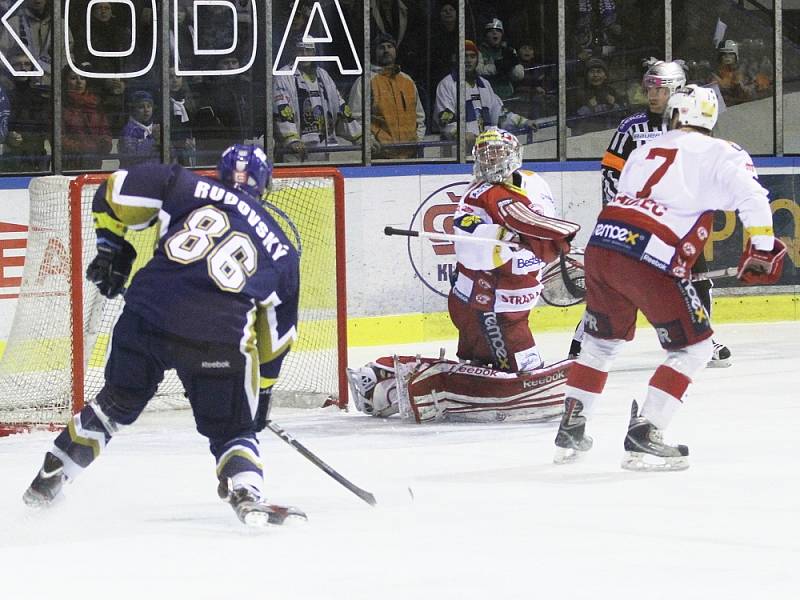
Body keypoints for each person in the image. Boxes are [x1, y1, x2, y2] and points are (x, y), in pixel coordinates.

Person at [22, 144, 306, 527]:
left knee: (112, 406)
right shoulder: (284, 254)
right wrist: (264, 392)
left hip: (147, 316)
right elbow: (277, 340)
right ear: (265, 185)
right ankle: (245, 491)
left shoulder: (183, 184)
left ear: (219, 171)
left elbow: (113, 191)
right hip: (218, 336)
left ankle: (48, 481)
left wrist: (112, 249)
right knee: (232, 430)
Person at [553, 85, 787, 471]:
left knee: (599, 343)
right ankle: (646, 434)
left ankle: (571, 428)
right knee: (693, 349)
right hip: (649, 253)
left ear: (677, 114)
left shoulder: (646, 148)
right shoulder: (723, 151)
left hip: (603, 244)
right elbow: (752, 195)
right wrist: (762, 245)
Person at [569, 60, 733, 368]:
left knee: (696, 279)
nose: (653, 94)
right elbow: (610, 173)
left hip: (680, 222)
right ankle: (582, 340)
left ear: (676, 91)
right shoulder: (631, 127)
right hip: (641, 222)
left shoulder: (693, 126)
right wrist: (613, 214)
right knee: (616, 282)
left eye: (660, 88)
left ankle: (703, 339)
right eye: (650, 88)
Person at [448, 128, 578, 373]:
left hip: (522, 289)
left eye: (498, 153)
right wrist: (503, 239)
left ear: (513, 155)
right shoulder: (475, 195)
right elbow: (467, 244)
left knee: (512, 346)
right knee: (494, 356)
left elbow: (545, 224)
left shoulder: (535, 183)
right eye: (486, 155)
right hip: (485, 293)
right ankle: (479, 375)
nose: (492, 160)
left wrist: (541, 242)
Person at [435, 40, 536, 153]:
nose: (468, 60)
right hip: (457, 154)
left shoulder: (484, 84)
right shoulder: (447, 85)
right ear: (456, 58)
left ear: (477, 60)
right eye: (464, 56)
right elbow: (444, 119)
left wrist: (524, 122)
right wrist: (461, 135)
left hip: (486, 153)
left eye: (472, 56)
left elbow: (500, 115)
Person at [273, 41, 362, 161]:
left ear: (314, 53)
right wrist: (291, 139)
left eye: (308, 50)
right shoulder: (283, 75)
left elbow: (340, 106)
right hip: (296, 151)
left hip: (324, 148)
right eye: (300, 50)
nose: (304, 54)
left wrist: (359, 136)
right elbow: (282, 109)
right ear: (293, 52)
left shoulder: (323, 75)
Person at [347, 32, 426, 159]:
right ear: (374, 52)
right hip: (379, 157)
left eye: (390, 46)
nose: (386, 50)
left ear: (395, 50)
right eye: (381, 47)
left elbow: (419, 117)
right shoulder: (365, 82)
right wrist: (368, 141)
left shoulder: (408, 81)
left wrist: (418, 140)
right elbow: (355, 118)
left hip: (410, 156)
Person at [118, 90, 159, 167]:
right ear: (133, 109)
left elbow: (170, 153)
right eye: (141, 107)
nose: (146, 110)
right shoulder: (128, 131)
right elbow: (131, 157)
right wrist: (153, 139)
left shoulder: (156, 127)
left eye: (149, 106)